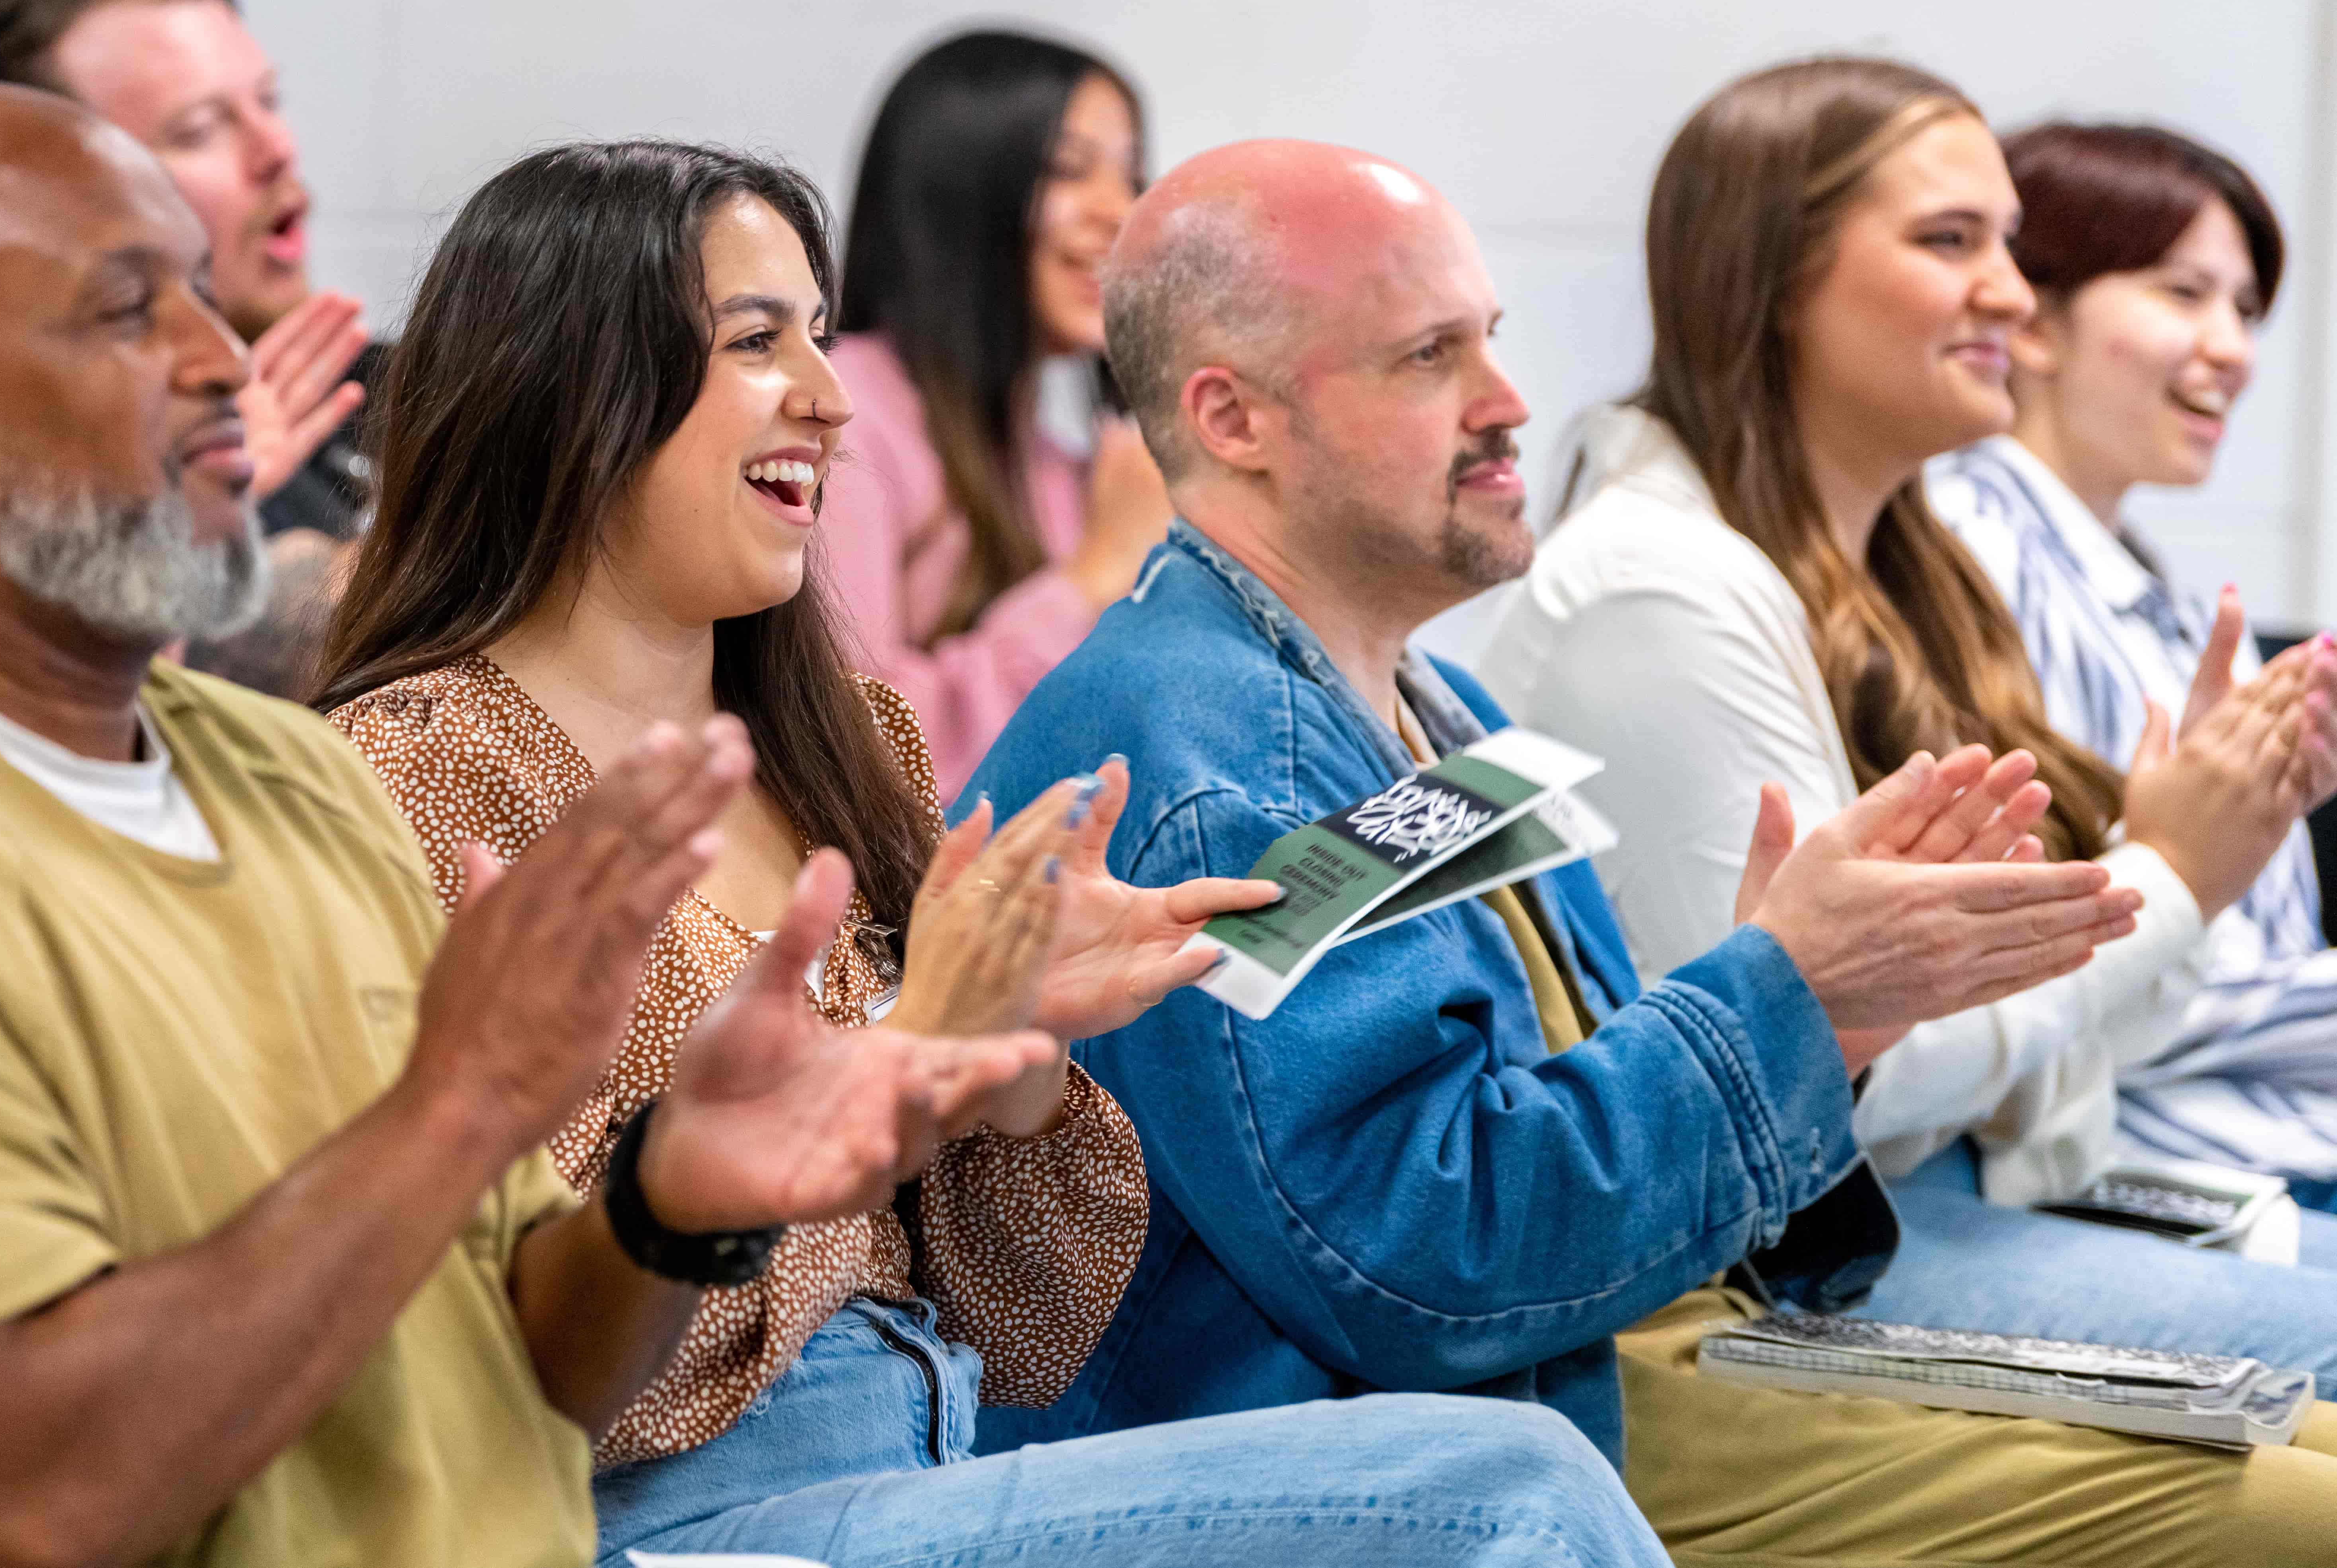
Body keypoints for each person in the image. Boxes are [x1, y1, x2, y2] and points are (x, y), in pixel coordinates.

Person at [0, 84, 1078, 1568]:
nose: (221, 357)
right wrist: (458, 1102)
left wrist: (672, 1201)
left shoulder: (276, 774)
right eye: (124, 307)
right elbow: (7, 1503)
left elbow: (533, 1376)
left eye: (196, 289)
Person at [964, 133, 2337, 1562]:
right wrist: (1775, 995)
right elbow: (1422, 1271)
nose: (1507, 403)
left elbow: (1570, 1128)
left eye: (1487, 341)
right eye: (1429, 357)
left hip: (1628, 1358)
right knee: (2291, 1514)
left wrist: (1831, 1015)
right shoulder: (1232, 774)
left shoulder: (1431, 701)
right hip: (1505, 1428)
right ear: (1231, 417)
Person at [319, 138, 1676, 1568]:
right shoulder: (414, 770)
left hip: (922, 1464)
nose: (834, 401)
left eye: (823, 340)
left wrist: (1015, 1063)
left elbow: (1022, 1325)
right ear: (568, 383)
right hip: (668, 1516)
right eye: (754, 341)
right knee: (1507, 1484)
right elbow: (502, 1347)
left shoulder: (852, 749)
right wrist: (913, 1038)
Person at [1477, 59, 2337, 1378]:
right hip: (1773, 1264)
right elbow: (1836, 1071)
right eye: (1949, 241)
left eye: (2004, 239)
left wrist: (2192, 854)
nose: (2009, 288)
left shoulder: (1889, 571)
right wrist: (2168, 871)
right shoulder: (1655, 590)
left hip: (1930, 1197)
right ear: (1765, 276)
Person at [1930, 123, 2337, 1209]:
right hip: (2178, 1173)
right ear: (2034, 317)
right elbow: (2088, 961)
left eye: (2245, 309)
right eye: (2183, 292)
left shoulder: (2158, 599)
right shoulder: (1966, 555)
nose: (2234, 347)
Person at [0, 0, 371, 697]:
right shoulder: (34, 486)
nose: (278, 151)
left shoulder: (382, 389)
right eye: (200, 129)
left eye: (270, 102)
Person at [819, 30, 1173, 794]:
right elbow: (848, 741)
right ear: (959, 190)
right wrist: (1092, 580)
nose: (1123, 215)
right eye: (1067, 171)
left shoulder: (1069, 468)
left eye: (1133, 177)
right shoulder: (842, 415)